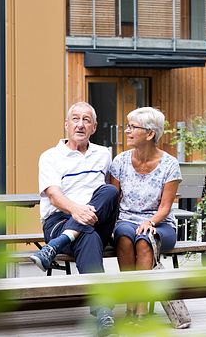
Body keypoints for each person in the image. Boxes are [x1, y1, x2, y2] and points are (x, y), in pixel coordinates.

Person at [30, 101, 119, 336]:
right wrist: (76, 211)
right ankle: (103, 312)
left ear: (94, 127)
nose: (80, 125)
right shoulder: (50, 156)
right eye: (76, 119)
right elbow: (54, 195)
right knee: (87, 235)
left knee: (109, 191)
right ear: (66, 125)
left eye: (86, 120)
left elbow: (108, 196)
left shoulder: (103, 154)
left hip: (95, 221)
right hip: (59, 220)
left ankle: (54, 248)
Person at [109, 107, 181, 319]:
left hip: (161, 224)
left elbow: (165, 208)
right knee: (123, 236)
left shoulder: (170, 165)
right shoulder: (120, 161)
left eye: (133, 127)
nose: (127, 131)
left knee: (144, 240)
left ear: (150, 134)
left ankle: (141, 310)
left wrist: (150, 222)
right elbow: (114, 200)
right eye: (127, 126)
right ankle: (130, 303)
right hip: (126, 221)